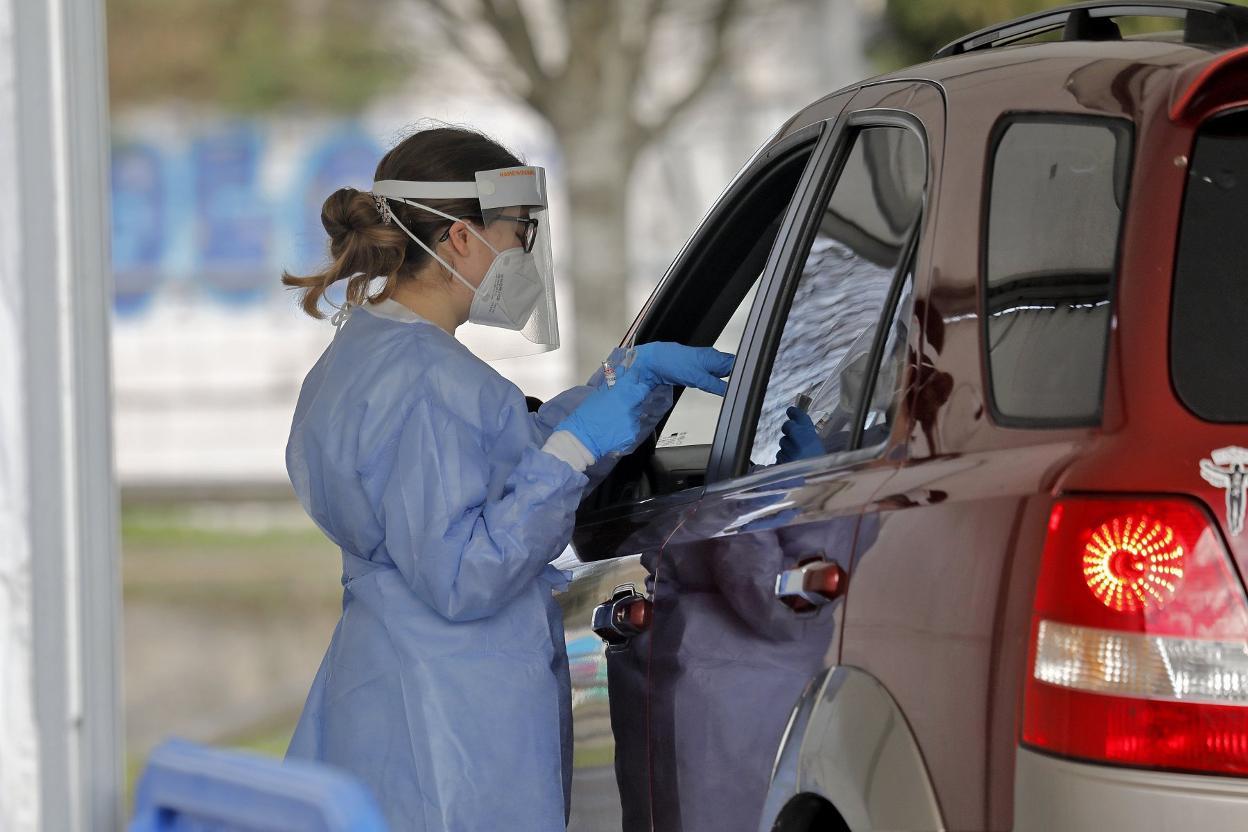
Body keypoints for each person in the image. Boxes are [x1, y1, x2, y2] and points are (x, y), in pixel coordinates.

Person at [279, 125, 734, 831]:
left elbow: (497, 459)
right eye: (518, 229)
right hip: (454, 719)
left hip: (387, 689)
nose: (524, 251)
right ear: (462, 238)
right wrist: (573, 451)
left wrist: (626, 384)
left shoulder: (367, 353)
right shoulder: (431, 380)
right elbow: (464, 573)